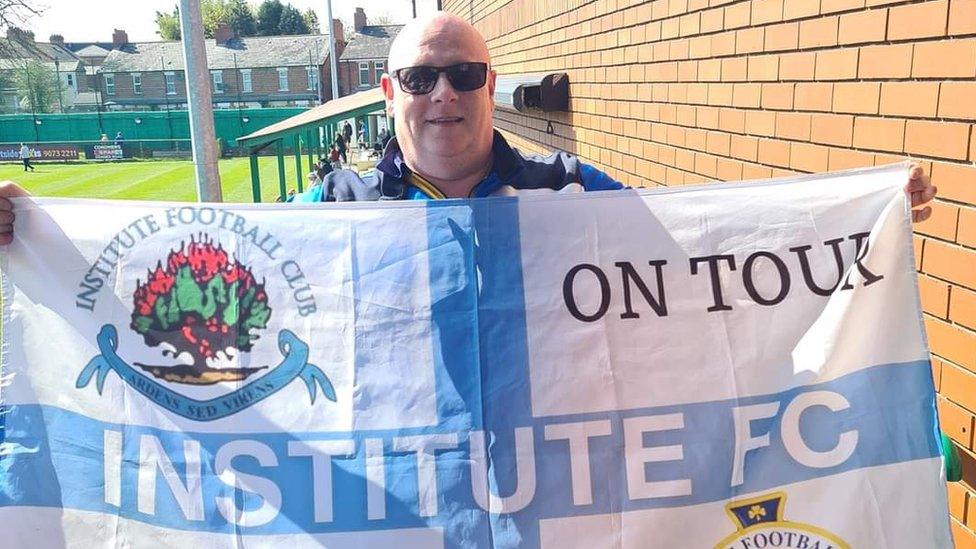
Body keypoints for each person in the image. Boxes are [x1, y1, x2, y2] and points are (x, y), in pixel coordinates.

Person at [0, 12, 938, 242]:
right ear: (387, 95)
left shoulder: (570, 192)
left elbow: (703, 241)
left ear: (494, 89)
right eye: (419, 76)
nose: (441, 94)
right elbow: (219, 257)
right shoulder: (330, 205)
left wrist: (858, 215)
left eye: (464, 74)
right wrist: (31, 231)